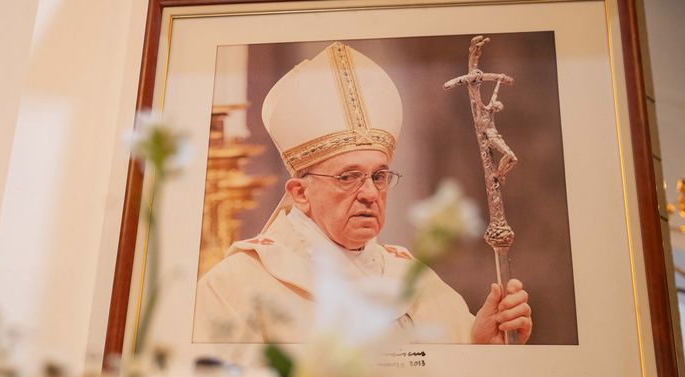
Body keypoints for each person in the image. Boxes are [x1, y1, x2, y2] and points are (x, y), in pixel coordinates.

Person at [192, 41, 532, 345]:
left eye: (379, 176)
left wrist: (483, 348)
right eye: (348, 177)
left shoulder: (413, 279)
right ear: (300, 193)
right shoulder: (237, 287)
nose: (370, 192)